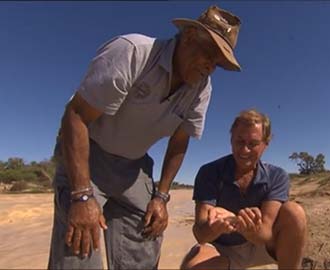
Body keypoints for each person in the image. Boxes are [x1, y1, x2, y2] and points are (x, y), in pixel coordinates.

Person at [47, 5, 242, 270]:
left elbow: (179, 141)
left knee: (146, 239)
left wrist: (161, 197)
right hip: (88, 157)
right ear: (188, 36)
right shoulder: (134, 51)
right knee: (79, 248)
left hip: (134, 168)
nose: (210, 66)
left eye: (217, 63)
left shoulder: (201, 88)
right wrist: (81, 195)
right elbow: (76, 115)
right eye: (209, 52)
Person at [180, 109, 307, 270]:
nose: (244, 150)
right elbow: (200, 235)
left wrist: (238, 222)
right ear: (231, 140)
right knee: (192, 267)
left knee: (294, 212)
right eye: (239, 141)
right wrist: (215, 227)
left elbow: (266, 234)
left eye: (253, 144)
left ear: (265, 145)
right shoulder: (209, 172)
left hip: (260, 245)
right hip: (222, 249)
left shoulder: (276, 176)